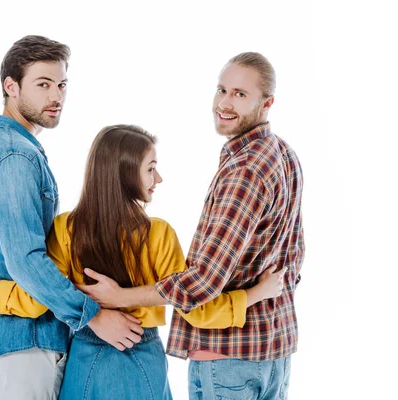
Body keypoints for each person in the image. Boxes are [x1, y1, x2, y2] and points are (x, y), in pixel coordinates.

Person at [0, 124, 287, 400]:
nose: (158, 177)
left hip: (84, 358)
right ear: (124, 173)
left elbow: (37, 301)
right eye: (150, 167)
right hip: (141, 358)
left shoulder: (65, 229)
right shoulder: (157, 234)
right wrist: (258, 292)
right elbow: (198, 310)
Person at [79, 53, 305, 400]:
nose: (225, 103)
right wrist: (263, 293)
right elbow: (293, 256)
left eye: (240, 94)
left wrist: (120, 296)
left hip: (229, 356)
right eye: (222, 90)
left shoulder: (244, 171)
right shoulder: (283, 154)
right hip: (274, 351)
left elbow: (201, 284)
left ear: (267, 103)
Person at [0, 35, 143, 400]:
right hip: (22, 341)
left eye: (62, 85)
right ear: (11, 86)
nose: (56, 97)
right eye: (43, 85)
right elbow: (25, 260)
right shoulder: (17, 156)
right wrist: (92, 316)